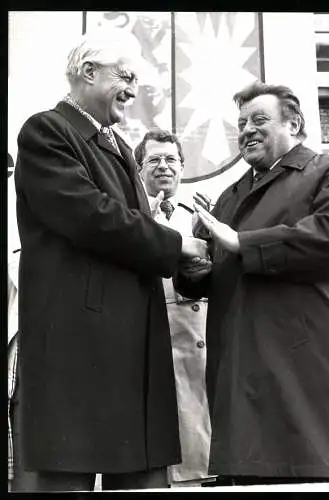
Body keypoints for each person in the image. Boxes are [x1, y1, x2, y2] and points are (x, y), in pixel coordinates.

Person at [12, 33, 208, 492]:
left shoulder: (118, 145)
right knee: (68, 474)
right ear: (88, 72)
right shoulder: (47, 131)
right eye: (126, 76)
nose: (133, 89)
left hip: (129, 343)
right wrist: (175, 244)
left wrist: (201, 261)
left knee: (141, 473)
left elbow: (128, 228)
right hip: (80, 343)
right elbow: (91, 215)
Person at [175, 81, 329, 485]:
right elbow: (224, 271)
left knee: (303, 473)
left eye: (259, 119)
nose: (246, 130)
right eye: (241, 123)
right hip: (241, 371)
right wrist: (193, 271)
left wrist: (239, 241)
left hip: (303, 371)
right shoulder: (230, 195)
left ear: (294, 125)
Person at [134, 129, 215, 487]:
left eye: (172, 160)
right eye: (154, 160)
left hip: (198, 342)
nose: (164, 167)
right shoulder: (129, 217)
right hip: (153, 341)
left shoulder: (196, 215)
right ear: (138, 170)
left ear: (183, 168)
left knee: (200, 442)